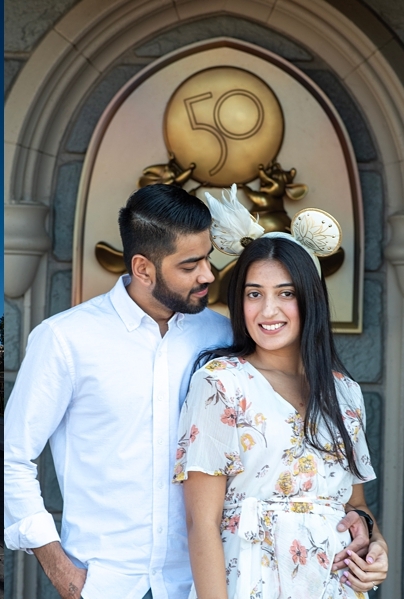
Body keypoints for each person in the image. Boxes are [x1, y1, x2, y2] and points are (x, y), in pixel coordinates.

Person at [3, 184, 373, 599]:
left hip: (198, 584)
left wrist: (364, 532)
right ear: (143, 269)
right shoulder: (65, 339)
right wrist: (59, 569)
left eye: (209, 258)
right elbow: (12, 457)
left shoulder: (221, 337)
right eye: (190, 265)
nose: (209, 275)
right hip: (105, 582)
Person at [177, 193, 389, 597]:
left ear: (310, 299)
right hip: (251, 583)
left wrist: (376, 545)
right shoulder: (221, 383)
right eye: (254, 293)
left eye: (285, 293)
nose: (267, 310)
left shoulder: (344, 392)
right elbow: (200, 524)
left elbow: (354, 505)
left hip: (335, 587)